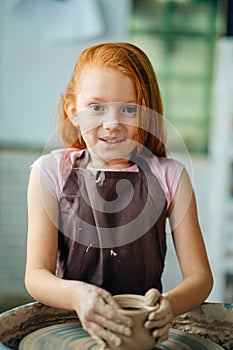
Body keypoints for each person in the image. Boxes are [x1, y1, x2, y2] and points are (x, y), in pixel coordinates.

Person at [25, 42, 213, 349]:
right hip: (70, 329)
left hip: (143, 332)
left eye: (129, 109)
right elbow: (36, 275)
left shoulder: (171, 176)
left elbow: (200, 277)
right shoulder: (50, 171)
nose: (112, 124)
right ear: (73, 112)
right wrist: (79, 296)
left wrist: (168, 305)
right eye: (96, 107)